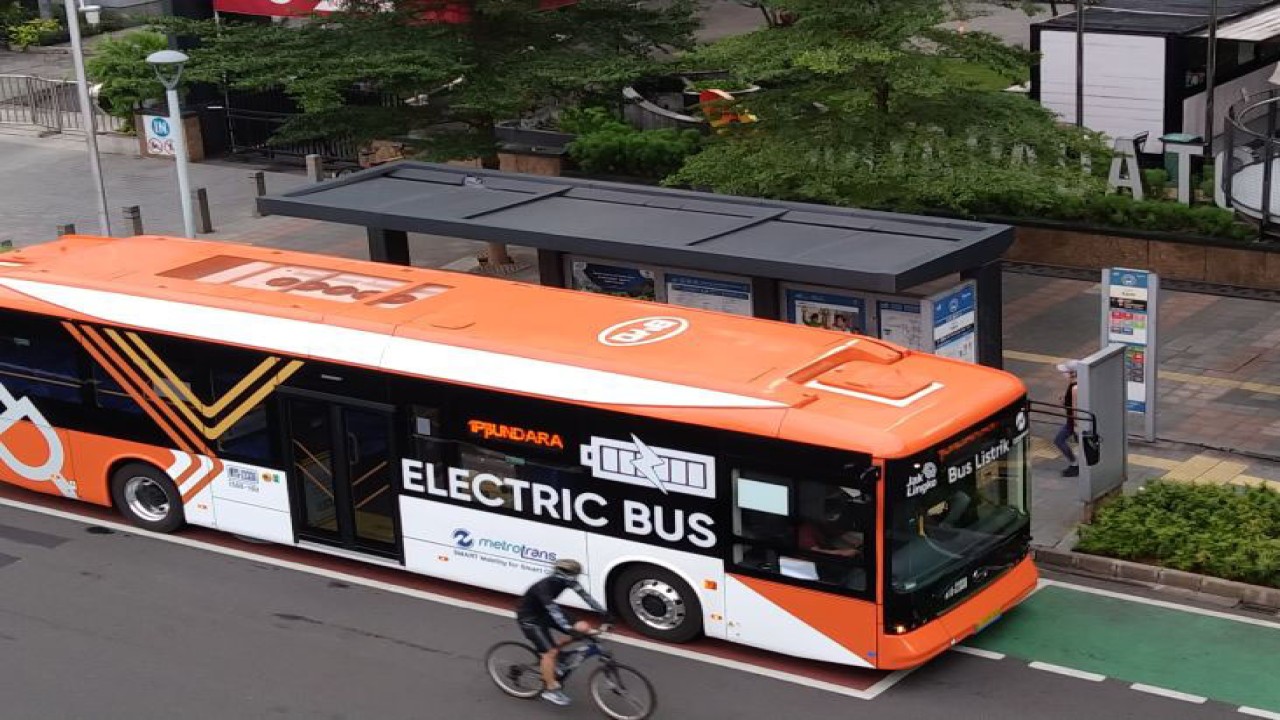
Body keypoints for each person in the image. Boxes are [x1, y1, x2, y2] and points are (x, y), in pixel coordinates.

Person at [516, 558, 612, 706]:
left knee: (583, 627)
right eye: (575, 574)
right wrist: (568, 629)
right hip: (530, 618)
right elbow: (553, 610)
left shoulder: (569, 582)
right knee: (550, 653)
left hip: (545, 613)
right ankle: (550, 689)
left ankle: (560, 658)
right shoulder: (544, 586)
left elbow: (586, 598)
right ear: (565, 573)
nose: (576, 578)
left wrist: (604, 613)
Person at [1055, 361, 1080, 477]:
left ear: (1073, 373)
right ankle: (1076, 464)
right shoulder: (1073, 385)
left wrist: (1075, 426)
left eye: (1065, 372)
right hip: (1071, 421)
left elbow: (1075, 409)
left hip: (1073, 422)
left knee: (1059, 440)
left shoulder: (1075, 388)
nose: (1063, 374)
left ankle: (1075, 464)